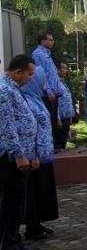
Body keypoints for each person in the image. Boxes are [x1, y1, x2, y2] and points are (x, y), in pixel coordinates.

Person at [0, 55, 38, 250]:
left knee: (17, 202)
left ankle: (13, 239)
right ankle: (10, 243)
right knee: (11, 203)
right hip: (12, 159)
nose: (31, 78)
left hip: (22, 155)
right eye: (29, 74)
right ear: (18, 72)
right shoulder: (5, 91)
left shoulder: (14, 89)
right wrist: (19, 154)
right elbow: (7, 126)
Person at [21, 66, 59, 241]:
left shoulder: (36, 98)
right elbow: (29, 129)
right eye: (41, 79)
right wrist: (34, 154)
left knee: (41, 193)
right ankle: (32, 227)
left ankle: (37, 224)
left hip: (43, 155)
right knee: (33, 194)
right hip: (34, 157)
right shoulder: (25, 100)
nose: (44, 83)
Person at [31, 32, 63, 150]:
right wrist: (48, 91)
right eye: (50, 40)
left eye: (52, 40)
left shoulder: (47, 54)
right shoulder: (38, 54)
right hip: (46, 95)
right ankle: (50, 147)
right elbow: (41, 74)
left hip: (54, 94)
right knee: (49, 121)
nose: (52, 42)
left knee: (53, 120)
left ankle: (54, 145)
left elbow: (52, 74)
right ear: (43, 41)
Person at [56, 62, 76, 149]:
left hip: (67, 116)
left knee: (64, 141)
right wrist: (58, 118)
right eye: (64, 69)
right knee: (59, 141)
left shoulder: (63, 82)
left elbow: (68, 100)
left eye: (66, 69)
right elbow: (56, 102)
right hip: (60, 118)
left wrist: (71, 115)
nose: (66, 71)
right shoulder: (56, 83)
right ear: (57, 70)